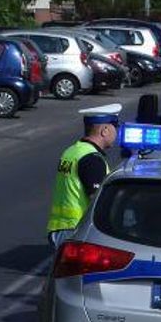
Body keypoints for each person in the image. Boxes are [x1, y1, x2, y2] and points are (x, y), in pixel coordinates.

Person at [46, 104, 121, 251]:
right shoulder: (91, 158)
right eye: (115, 127)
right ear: (104, 130)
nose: (116, 132)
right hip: (77, 231)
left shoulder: (72, 151)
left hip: (60, 228)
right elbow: (99, 201)